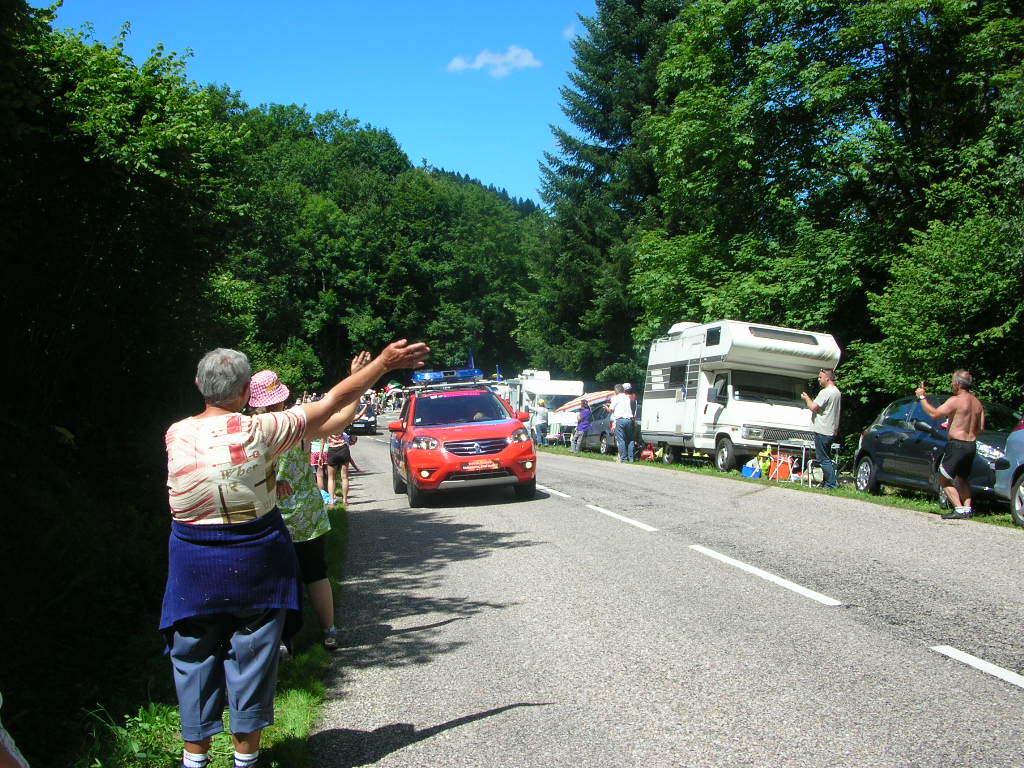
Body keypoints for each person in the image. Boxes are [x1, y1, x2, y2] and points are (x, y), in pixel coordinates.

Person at [162, 339, 428, 768]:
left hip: (191, 566)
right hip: (254, 561)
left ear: (198, 384)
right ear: (246, 391)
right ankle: (247, 759)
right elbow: (331, 404)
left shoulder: (175, 433)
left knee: (192, 657)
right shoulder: (263, 430)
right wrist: (382, 364)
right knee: (251, 658)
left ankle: (194, 759)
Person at [249, 360, 368, 651]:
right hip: (306, 514)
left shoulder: (249, 429)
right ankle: (329, 630)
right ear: (282, 397)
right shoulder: (295, 425)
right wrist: (357, 382)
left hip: (269, 515)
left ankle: (282, 640)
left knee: (276, 578)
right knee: (316, 573)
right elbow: (339, 420)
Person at [916, 370, 985, 519]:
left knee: (943, 478)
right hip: (971, 445)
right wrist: (962, 427)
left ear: (958, 384)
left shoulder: (956, 400)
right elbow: (980, 428)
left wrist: (922, 397)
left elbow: (935, 414)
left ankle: (959, 509)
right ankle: (967, 509)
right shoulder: (977, 403)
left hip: (957, 445)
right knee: (962, 478)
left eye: (953, 382)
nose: (952, 385)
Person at [801, 368, 841, 490]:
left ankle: (831, 484)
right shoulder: (837, 392)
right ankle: (826, 482)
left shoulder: (825, 392)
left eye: (820, 377)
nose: (818, 379)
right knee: (827, 457)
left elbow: (813, 407)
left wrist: (806, 398)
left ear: (827, 378)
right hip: (830, 430)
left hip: (822, 430)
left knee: (823, 459)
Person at [608, 384, 635, 462]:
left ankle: (624, 458)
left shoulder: (616, 398)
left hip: (620, 420)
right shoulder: (627, 397)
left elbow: (611, 410)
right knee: (630, 439)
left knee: (621, 439)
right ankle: (631, 458)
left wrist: (607, 408)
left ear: (616, 390)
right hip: (629, 419)